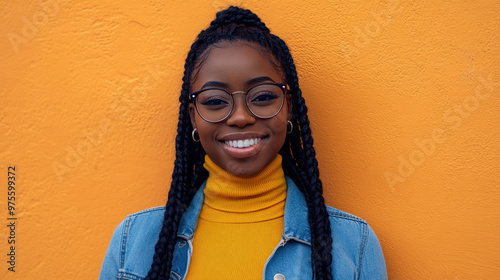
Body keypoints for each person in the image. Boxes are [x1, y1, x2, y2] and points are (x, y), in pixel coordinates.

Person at [99, 6, 387, 280]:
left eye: (262, 97)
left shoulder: (354, 245)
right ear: (193, 117)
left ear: (289, 107)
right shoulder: (132, 244)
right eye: (214, 101)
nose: (240, 117)